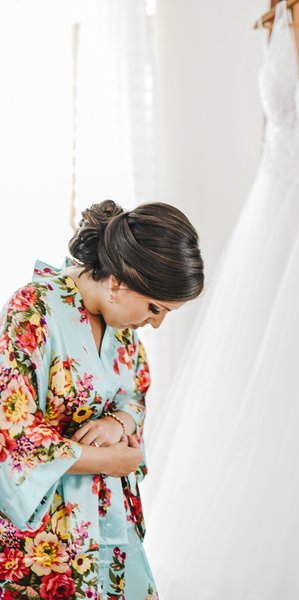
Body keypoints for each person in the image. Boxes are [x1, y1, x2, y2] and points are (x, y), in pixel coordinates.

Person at [0, 199, 204, 599]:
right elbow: (10, 429)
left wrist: (119, 423)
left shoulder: (123, 326)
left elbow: (135, 394)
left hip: (109, 518)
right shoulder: (33, 310)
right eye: (155, 308)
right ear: (118, 282)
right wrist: (106, 461)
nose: (156, 324)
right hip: (47, 533)